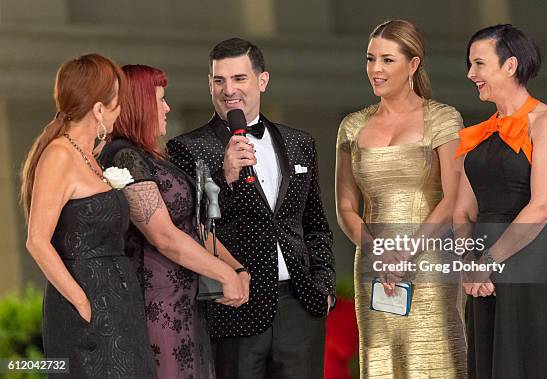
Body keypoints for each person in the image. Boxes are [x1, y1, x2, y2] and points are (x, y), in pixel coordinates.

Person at [167, 37, 335, 379]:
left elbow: (315, 222)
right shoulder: (187, 148)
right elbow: (191, 227)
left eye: (239, 78)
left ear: (262, 80)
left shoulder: (299, 142)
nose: (228, 89)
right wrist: (224, 177)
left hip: (300, 308)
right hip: (235, 308)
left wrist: (324, 289)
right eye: (219, 80)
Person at [454, 24, 547, 378]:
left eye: (479, 64)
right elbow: (463, 210)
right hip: (482, 269)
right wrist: (467, 259)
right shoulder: (482, 131)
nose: (471, 74)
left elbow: (543, 206)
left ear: (511, 65)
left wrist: (487, 260)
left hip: (531, 260)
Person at [98, 64, 248, 379]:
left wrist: (237, 267)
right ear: (139, 105)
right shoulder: (124, 156)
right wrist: (225, 274)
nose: (166, 108)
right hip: (156, 306)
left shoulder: (151, 156)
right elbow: (163, 236)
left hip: (184, 303)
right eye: (160, 100)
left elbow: (193, 226)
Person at [335, 20, 467, 378]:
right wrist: (377, 251)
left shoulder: (443, 118)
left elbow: (453, 198)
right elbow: (346, 207)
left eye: (387, 60)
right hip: (374, 265)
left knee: (433, 361)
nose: (376, 69)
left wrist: (406, 253)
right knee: (381, 362)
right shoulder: (351, 126)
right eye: (370, 59)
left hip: (428, 261)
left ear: (413, 64)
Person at [21, 54, 156, 377]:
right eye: (116, 103)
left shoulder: (89, 157)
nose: (120, 111)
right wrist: (83, 303)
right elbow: (37, 241)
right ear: (98, 109)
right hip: (88, 310)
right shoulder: (58, 156)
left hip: (120, 306)